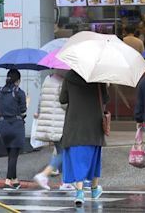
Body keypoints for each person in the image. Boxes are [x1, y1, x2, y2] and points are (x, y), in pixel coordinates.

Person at [59, 70, 109, 207]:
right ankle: (94, 189)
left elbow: (62, 99)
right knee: (94, 157)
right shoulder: (99, 76)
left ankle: (80, 192)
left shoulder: (69, 76)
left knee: (77, 157)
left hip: (74, 124)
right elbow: (105, 99)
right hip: (94, 124)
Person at [33, 71, 75, 191]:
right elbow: (64, 104)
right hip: (59, 124)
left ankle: (66, 182)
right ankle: (43, 175)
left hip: (49, 123)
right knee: (63, 153)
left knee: (63, 152)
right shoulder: (62, 83)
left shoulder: (47, 79)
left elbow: (41, 100)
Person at [0, 68, 27, 190]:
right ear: (17, 80)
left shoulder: (0, 91)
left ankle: (15, 180)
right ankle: (8, 181)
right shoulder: (19, 92)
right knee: (14, 155)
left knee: (10, 155)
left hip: (3, 127)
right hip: (16, 126)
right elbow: (23, 112)